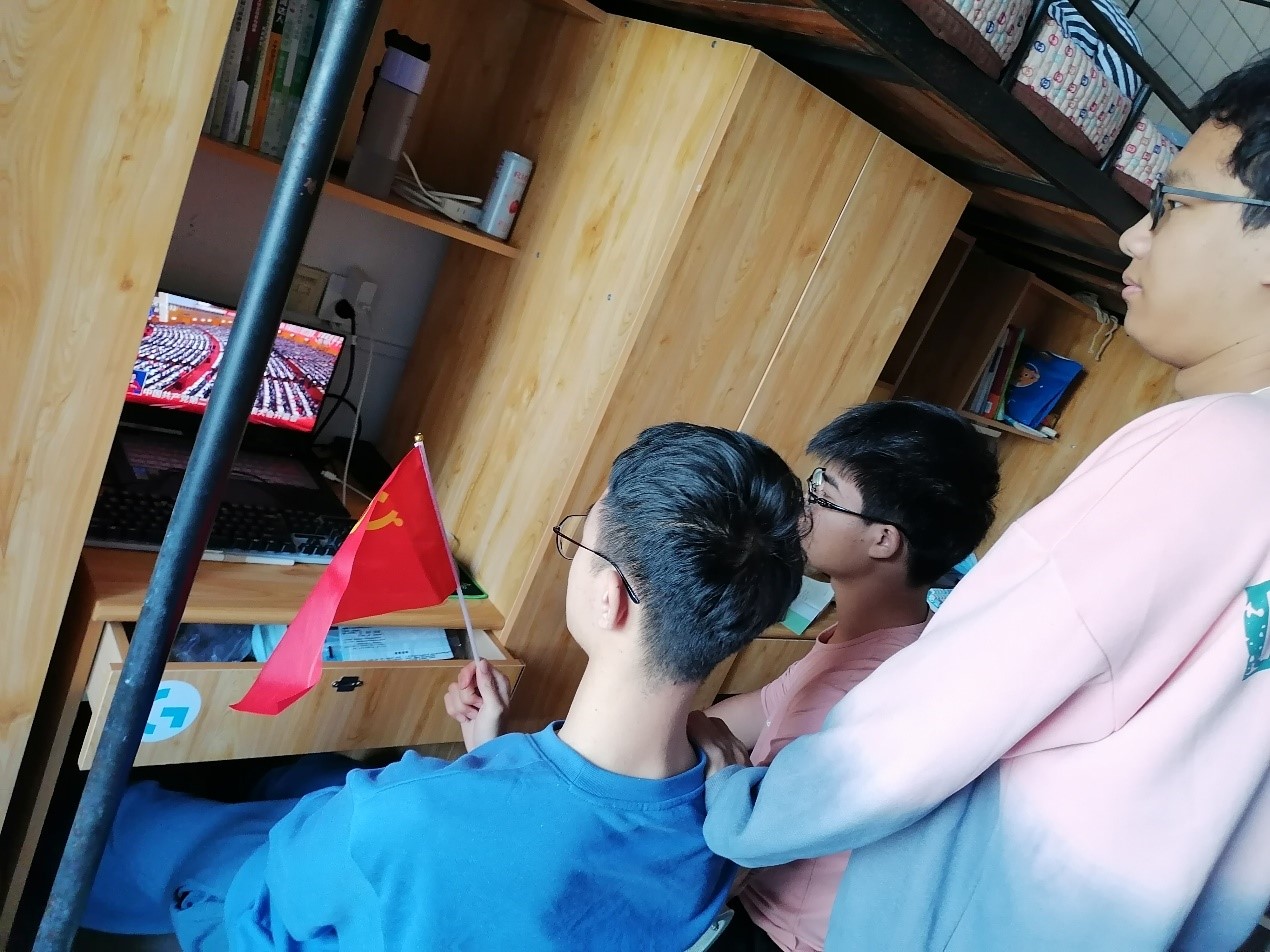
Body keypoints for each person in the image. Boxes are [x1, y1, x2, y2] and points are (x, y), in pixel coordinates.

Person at [697, 56, 1270, 952]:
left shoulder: (1210, 449)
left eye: (1173, 201)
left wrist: (738, 806)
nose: (1133, 237)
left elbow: (932, 722)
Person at [81, 422, 807, 951]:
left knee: (142, 824)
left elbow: (284, 896)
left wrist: (465, 784)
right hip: (445, 866)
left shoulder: (407, 812)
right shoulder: (727, 817)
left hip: (272, 908)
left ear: (608, 597)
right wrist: (487, 754)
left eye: (582, 539)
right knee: (315, 776)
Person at [701, 402, 999, 952]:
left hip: (779, 934)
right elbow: (755, 710)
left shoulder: (867, 689)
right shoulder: (883, 641)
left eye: (824, 493)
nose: (803, 503)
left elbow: (742, 845)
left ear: (882, 540)